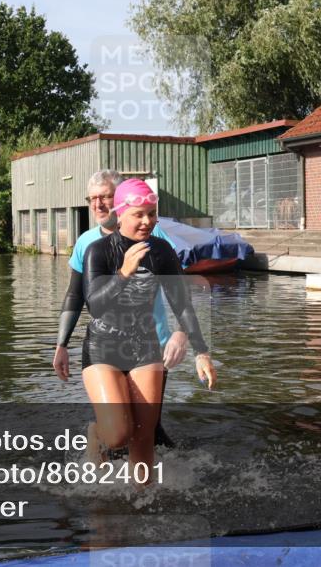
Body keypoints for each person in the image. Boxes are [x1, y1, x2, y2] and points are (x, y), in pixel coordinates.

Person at [76, 178, 216, 479]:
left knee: (143, 438)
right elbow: (95, 306)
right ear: (121, 213)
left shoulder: (162, 251)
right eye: (139, 214)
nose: (147, 221)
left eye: (151, 214)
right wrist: (124, 273)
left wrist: (201, 352)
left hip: (145, 345)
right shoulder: (98, 251)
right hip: (103, 347)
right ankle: (97, 434)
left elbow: (182, 304)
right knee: (119, 435)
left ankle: (144, 503)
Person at [54, 170, 186, 451]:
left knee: (149, 429)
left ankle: (143, 490)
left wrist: (181, 334)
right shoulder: (87, 243)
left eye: (105, 197)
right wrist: (61, 344)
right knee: (120, 432)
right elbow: (76, 295)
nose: (98, 205)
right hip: (107, 343)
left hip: (154, 343)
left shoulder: (151, 230)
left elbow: (178, 290)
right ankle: (102, 445)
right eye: (93, 199)